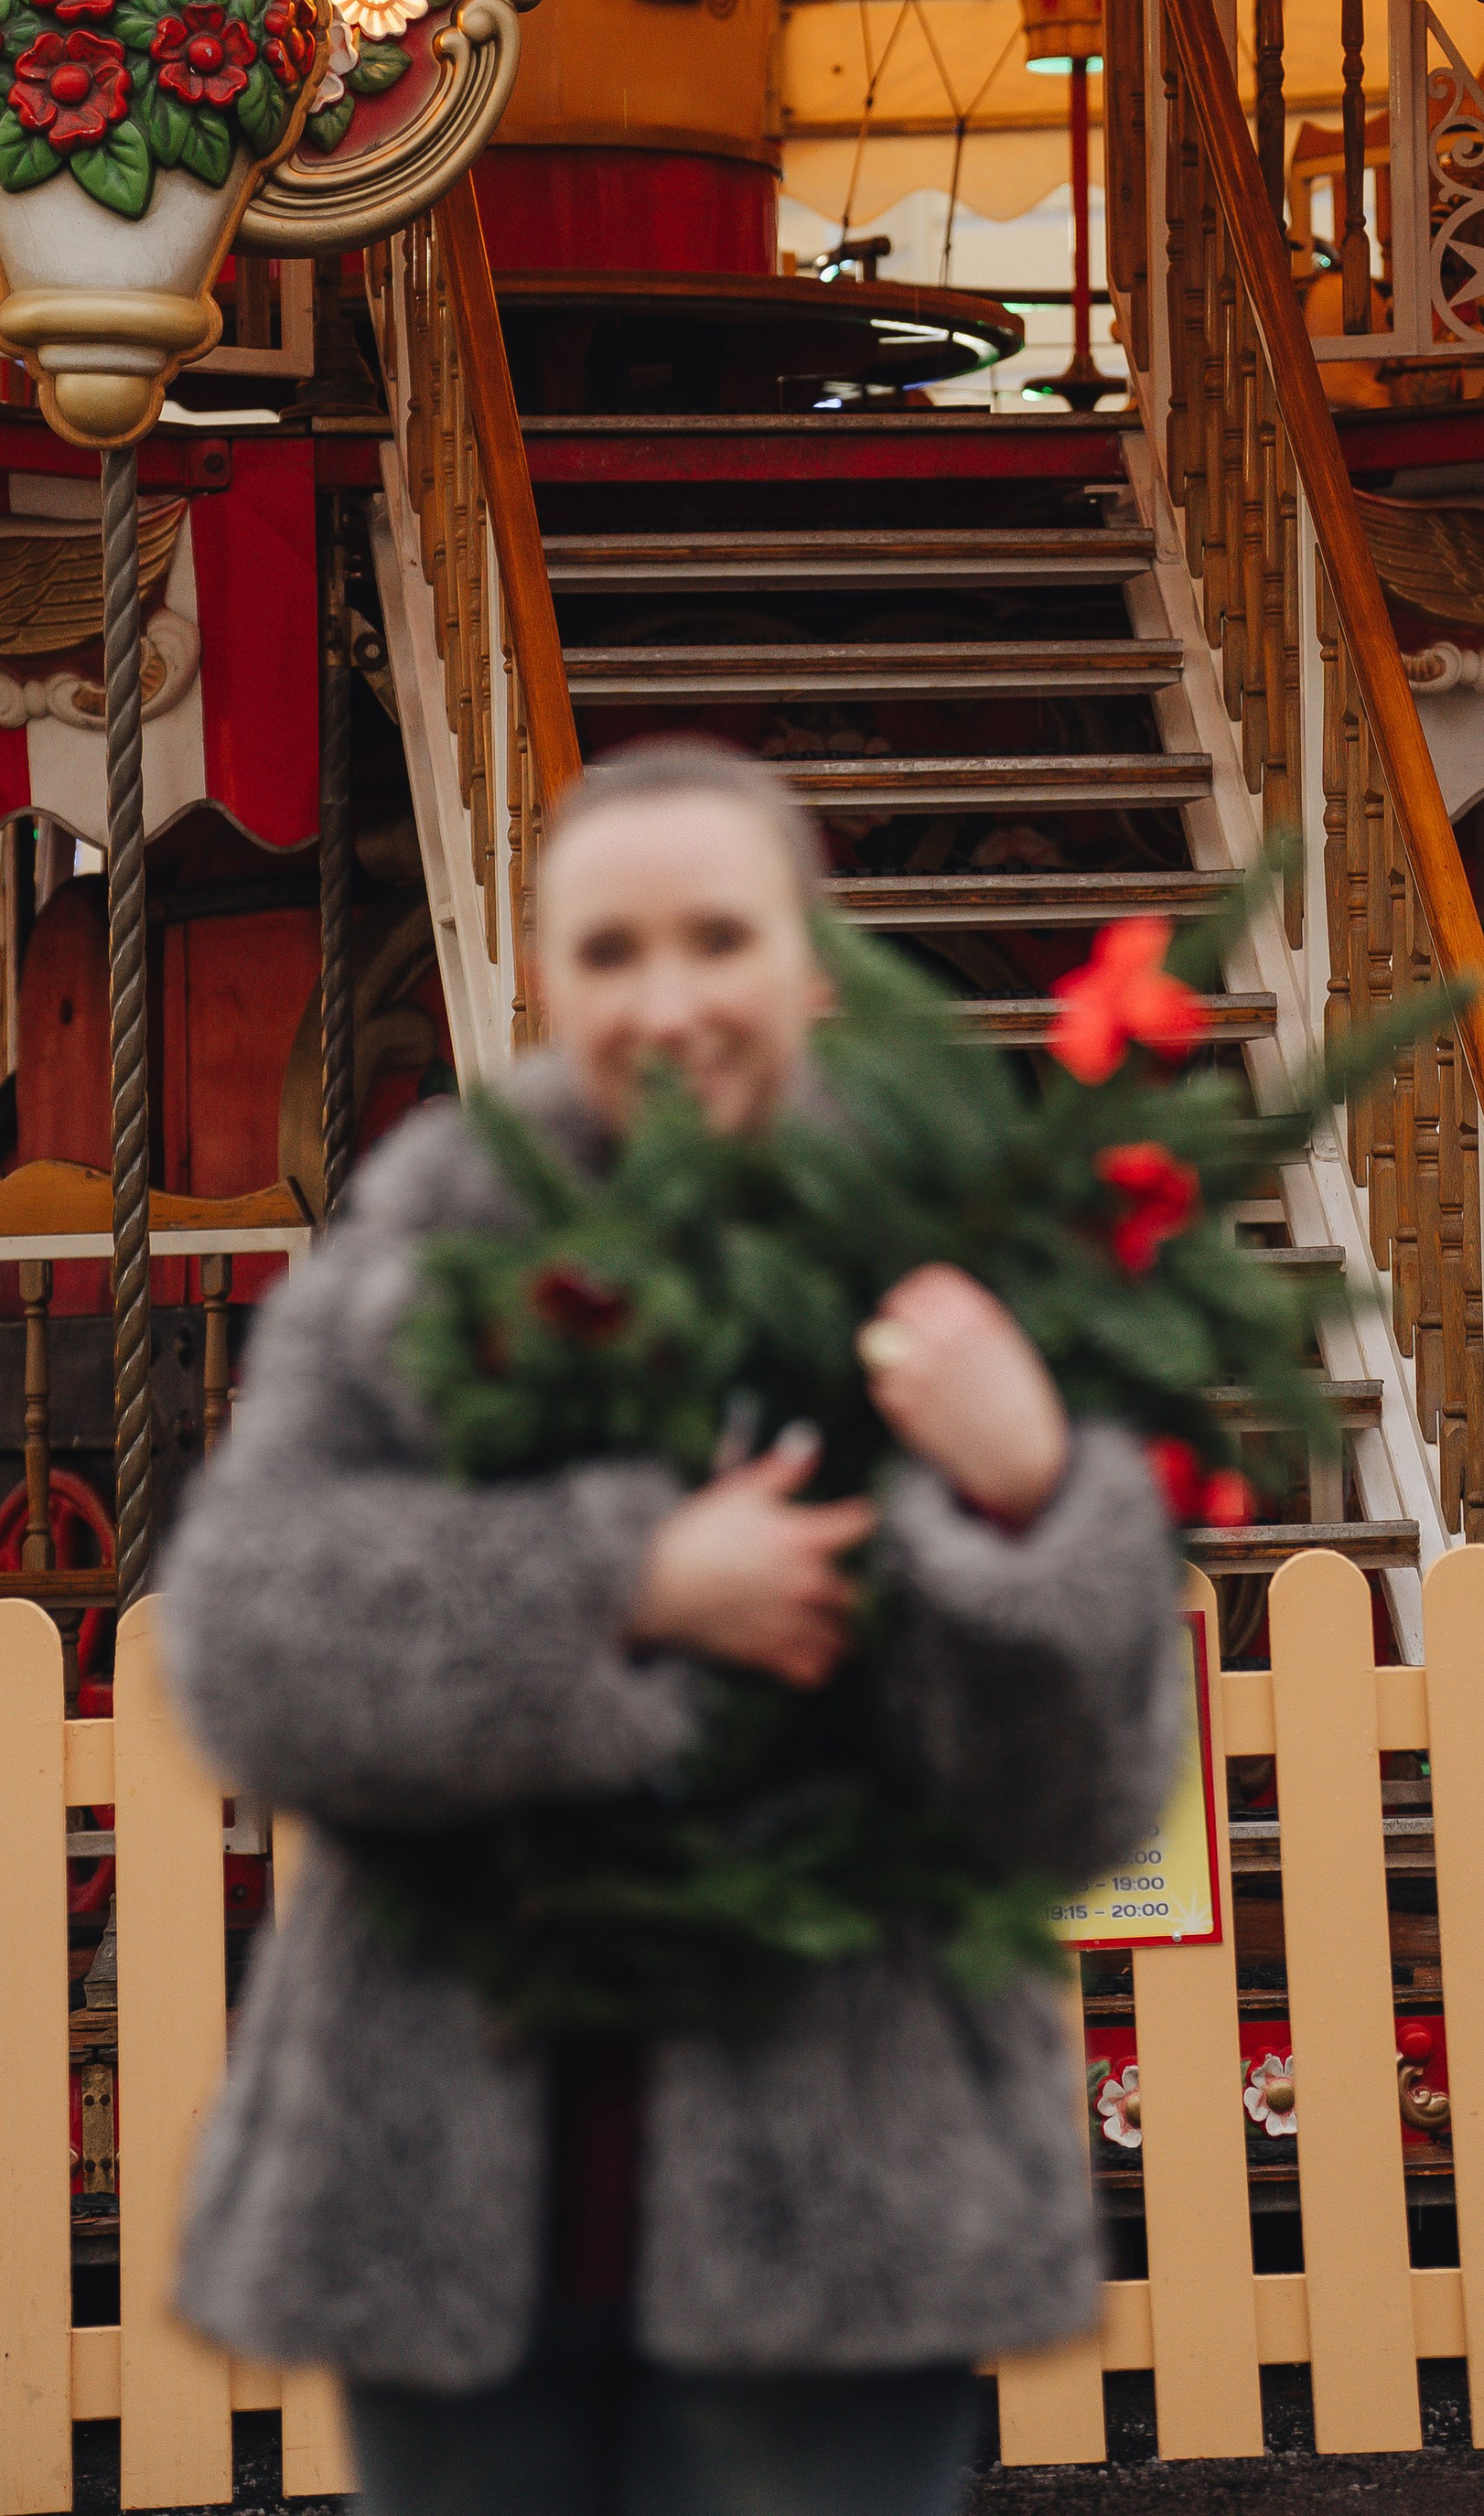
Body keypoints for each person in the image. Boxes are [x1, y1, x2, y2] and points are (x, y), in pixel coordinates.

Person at [162, 736, 1187, 2516]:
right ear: (543, 979)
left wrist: (1032, 1495)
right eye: (608, 954)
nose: (664, 1001)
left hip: (847, 2202)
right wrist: (624, 1582)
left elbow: (1072, 1807)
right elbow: (246, 1645)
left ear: (808, 961)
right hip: (447, 2197)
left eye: (715, 940)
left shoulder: (947, 1272)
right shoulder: (421, 1240)